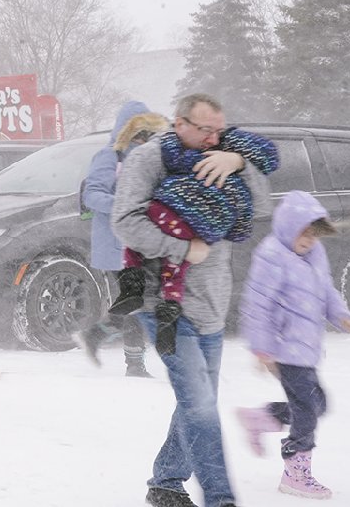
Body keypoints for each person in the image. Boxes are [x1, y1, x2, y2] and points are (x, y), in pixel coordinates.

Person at [112, 92, 272, 507]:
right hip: (162, 302)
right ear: (179, 123)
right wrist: (182, 250)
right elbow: (124, 223)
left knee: (196, 402)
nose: (213, 137)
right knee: (200, 406)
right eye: (205, 129)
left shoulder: (224, 151)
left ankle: (165, 483)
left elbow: (261, 206)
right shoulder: (147, 160)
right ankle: (221, 499)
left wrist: (237, 161)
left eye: (218, 129)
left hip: (211, 304)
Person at [234, 190, 350, 500]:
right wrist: (262, 349)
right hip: (282, 348)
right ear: (287, 227)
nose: (308, 241)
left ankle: (263, 418)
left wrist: (342, 316)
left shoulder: (314, 254)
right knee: (307, 410)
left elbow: (326, 290)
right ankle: (295, 472)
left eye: (313, 236)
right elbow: (257, 305)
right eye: (302, 235)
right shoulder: (271, 256)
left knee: (319, 405)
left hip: (305, 347)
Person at [108, 126, 279, 355]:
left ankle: (132, 287)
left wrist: (237, 162)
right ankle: (168, 309)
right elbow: (246, 219)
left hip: (170, 217)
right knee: (174, 270)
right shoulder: (235, 174)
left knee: (138, 247)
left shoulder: (205, 156)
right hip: (196, 234)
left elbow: (130, 220)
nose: (212, 138)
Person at [75, 101, 167, 377]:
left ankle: (96, 336)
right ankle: (135, 364)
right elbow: (92, 196)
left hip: (141, 242)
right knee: (138, 300)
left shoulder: (149, 158)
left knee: (140, 301)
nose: (142, 136)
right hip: (116, 245)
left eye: (146, 131)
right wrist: (127, 205)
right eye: (136, 130)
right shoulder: (109, 157)